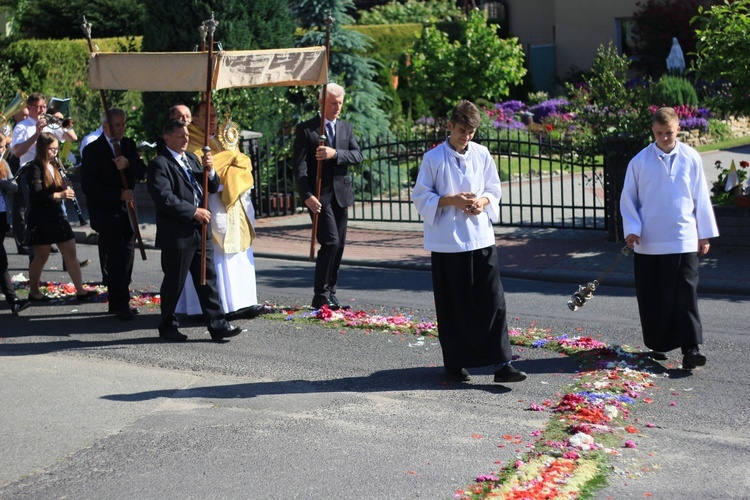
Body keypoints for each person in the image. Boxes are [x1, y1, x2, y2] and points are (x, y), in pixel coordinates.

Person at [412, 100, 526, 384]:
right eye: (462, 130)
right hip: (447, 242)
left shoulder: (482, 153)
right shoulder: (434, 159)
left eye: (471, 132)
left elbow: (493, 189)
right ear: (449, 126)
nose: (466, 137)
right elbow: (421, 196)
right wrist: (451, 200)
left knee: (492, 301)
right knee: (454, 305)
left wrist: (481, 202)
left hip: (479, 237)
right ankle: (455, 363)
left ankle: (503, 364)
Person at [620, 106, 719, 370]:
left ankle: (691, 349)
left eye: (669, 132)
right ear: (653, 131)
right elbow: (628, 198)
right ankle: (658, 344)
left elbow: (701, 196)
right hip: (649, 241)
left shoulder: (691, 157)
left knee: (685, 293)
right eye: (659, 133)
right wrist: (632, 229)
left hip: (684, 238)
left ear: (678, 129)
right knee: (654, 295)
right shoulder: (640, 161)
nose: (664, 137)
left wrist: (704, 233)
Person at [147, 118, 242, 342]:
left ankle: (218, 326)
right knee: (174, 281)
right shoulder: (159, 164)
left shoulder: (191, 158)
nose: (185, 139)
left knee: (208, 279)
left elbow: (211, 183)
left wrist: (209, 171)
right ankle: (167, 325)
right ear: (167, 138)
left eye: (187, 135)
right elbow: (165, 198)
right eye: (180, 136)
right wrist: (192, 212)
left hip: (201, 230)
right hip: (178, 233)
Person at [176, 101, 257, 317]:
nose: (212, 119)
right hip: (210, 202)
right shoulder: (190, 138)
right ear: (196, 118)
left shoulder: (223, 137)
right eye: (207, 115)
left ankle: (240, 302)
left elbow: (242, 162)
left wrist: (231, 162)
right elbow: (196, 166)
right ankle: (214, 306)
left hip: (233, 204)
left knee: (237, 253)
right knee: (216, 255)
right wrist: (230, 162)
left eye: (214, 115)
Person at [293, 83, 362, 310]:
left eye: (340, 103)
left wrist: (335, 154)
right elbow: (300, 169)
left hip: (341, 196)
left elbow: (357, 155)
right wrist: (307, 196)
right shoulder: (307, 130)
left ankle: (331, 293)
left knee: (339, 245)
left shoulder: (345, 128)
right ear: (321, 103)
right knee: (330, 242)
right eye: (333, 103)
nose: (337, 107)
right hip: (319, 198)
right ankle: (320, 294)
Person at [81, 108, 147, 320]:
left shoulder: (127, 145)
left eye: (123, 124)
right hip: (106, 212)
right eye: (117, 125)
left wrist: (129, 163)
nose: (121, 129)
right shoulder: (93, 150)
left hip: (127, 212)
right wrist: (117, 194)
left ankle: (119, 300)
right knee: (117, 256)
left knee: (127, 257)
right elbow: (89, 186)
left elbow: (143, 171)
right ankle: (120, 304)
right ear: (106, 126)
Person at [25, 132, 96, 302]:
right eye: (51, 149)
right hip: (42, 216)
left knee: (70, 252)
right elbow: (37, 195)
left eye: (56, 149)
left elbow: (59, 189)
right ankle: (34, 291)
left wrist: (65, 186)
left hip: (57, 214)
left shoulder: (56, 165)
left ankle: (80, 291)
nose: (55, 153)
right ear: (42, 148)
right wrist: (60, 194)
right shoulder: (34, 168)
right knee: (41, 255)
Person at [0, 132, 31, 314]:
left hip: (2, 215)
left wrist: (3, 183)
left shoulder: (3, 164)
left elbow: (14, 186)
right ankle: (13, 301)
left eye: (3, 147)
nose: (1, 150)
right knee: (1, 260)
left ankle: (13, 301)